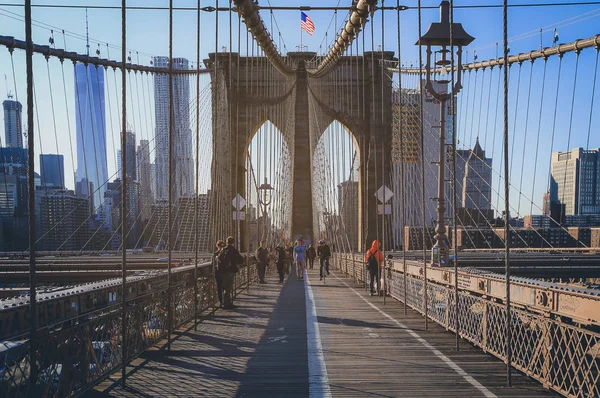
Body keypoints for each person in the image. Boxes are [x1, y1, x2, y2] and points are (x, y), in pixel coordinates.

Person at [218, 236, 244, 309]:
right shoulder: (234, 250)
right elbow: (240, 260)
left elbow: (219, 259)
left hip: (223, 271)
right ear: (233, 242)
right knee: (228, 288)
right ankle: (227, 304)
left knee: (225, 287)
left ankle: (226, 303)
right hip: (231, 271)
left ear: (226, 242)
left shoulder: (223, 249)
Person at [212, 240, 225, 307]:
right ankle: (221, 301)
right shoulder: (215, 254)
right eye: (220, 246)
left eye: (222, 246)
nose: (221, 247)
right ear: (217, 246)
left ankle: (225, 301)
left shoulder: (225, 253)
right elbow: (213, 264)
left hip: (224, 272)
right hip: (218, 272)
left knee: (225, 287)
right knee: (219, 287)